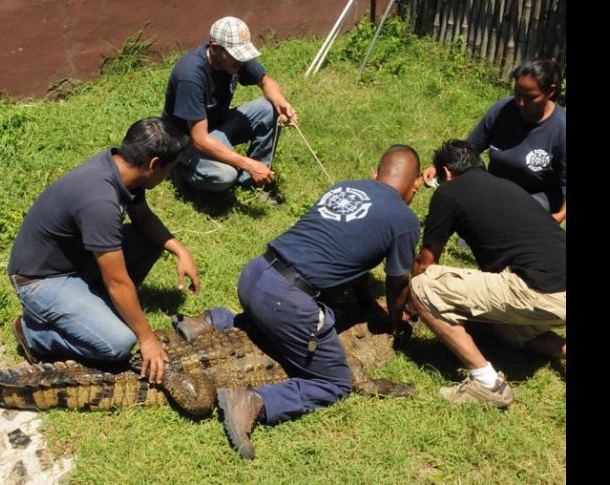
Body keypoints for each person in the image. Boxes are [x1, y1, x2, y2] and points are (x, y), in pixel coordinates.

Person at [179, 145, 422, 459]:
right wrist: (394, 323)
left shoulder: (345, 187)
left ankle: (212, 321)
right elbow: (398, 281)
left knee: (275, 318)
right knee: (334, 383)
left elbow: (357, 264)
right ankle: (252, 402)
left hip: (255, 274)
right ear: (414, 185)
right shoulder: (404, 219)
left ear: (375, 173)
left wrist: (366, 303)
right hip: (285, 301)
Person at [7, 117, 200, 384]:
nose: (168, 176)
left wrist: (179, 250)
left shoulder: (122, 169)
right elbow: (117, 282)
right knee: (119, 343)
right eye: (170, 169)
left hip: (74, 260)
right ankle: (33, 334)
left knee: (150, 241)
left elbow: (143, 218)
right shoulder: (100, 200)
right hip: (40, 281)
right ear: (153, 164)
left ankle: (98, 307)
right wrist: (147, 338)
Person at [410, 140, 566, 409]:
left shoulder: (449, 193)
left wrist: (402, 305)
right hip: (556, 289)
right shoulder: (508, 187)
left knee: (423, 287)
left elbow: (425, 265)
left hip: (539, 289)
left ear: (445, 172)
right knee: (504, 335)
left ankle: (487, 384)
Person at [162, 16, 298, 192]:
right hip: (187, 140)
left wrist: (281, 103)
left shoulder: (234, 58)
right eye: (235, 56)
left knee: (269, 107)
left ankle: (254, 180)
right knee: (225, 176)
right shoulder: (191, 75)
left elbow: (266, 82)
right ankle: (179, 166)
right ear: (215, 48)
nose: (241, 61)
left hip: (218, 125)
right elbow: (200, 140)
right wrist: (248, 163)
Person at [422, 58, 566, 223]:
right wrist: (440, 167)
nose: (520, 102)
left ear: (550, 92)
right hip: (495, 189)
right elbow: (471, 147)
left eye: (530, 97)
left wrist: (559, 217)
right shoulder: (503, 110)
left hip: (535, 198)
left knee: (512, 221)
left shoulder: (561, 127)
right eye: (517, 93)